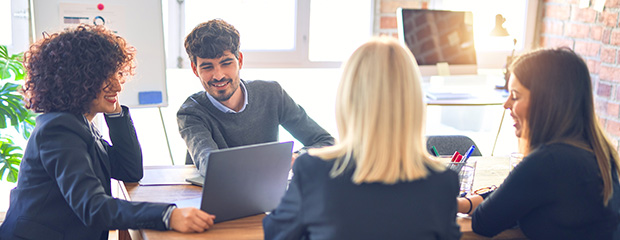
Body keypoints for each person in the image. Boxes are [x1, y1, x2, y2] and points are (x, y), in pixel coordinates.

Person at [0, 25, 215, 240]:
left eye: (117, 74)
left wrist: (115, 113)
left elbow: (129, 170)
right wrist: (168, 215)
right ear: (77, 81)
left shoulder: (78, 123)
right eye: (105, 77)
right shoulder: (59, 129)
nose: (118, 86)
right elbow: (93, 207)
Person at [262, 37, 461, 240]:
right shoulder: (443, 182)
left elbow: (276, 233)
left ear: (348, 98)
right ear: (413, 101)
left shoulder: (314, 172)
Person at [456, 48, 620, 239]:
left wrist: (457, 203)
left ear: (546, 102)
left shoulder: (549, 161)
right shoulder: (597, 153)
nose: (506, 104)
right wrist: (465, 203)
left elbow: (484, 222)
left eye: (515, 96)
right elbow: (517, 197)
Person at [177, 19, 335, 176]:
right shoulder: (191, 113)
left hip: (266, 196)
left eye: (226, 63)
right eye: (207, 67)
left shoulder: (272, 94)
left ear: (239, 60)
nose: (218, 75)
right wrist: (275, 161)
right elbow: (210, 164)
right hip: (215, 197)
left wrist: (296, 158)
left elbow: (326, 142)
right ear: (195, 69)